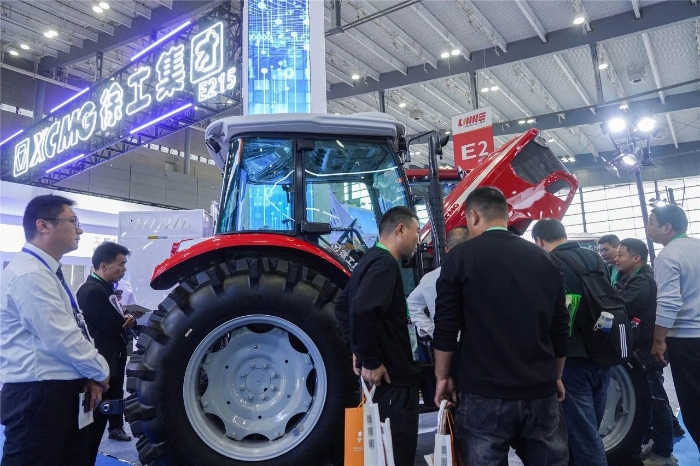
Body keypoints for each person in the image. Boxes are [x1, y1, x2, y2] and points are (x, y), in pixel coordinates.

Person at [434, 188, 569, 466]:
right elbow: (560, 328)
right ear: (506, 216)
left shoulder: (459, 258)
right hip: (540, 390)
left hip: (483, 392)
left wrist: (442, 377)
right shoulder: (548, 260)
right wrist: (556, 376)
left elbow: (446, 326)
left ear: (473, 216)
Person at [0, 194, 110, 466]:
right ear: (43, 225)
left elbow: (72, 330)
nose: (79, 230)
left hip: (59, 391)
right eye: (73, 222)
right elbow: (62, 338)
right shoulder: (30, 275)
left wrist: (89, 375)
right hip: (38, 396)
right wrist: (101, 371)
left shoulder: (46, 272)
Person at [334, 206, 422, 466]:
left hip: (383, 383)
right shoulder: (385, 265)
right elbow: (362, 309)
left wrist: (358, 349)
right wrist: (370, 359)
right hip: (393, 380)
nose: (419, 240)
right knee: (396, 454)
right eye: (417, 231)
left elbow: (343, 307)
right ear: (401, 229)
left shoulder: (369, 260)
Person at [532, 218, 611, 466]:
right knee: (589, 429)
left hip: (572, 358)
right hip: (603, 350)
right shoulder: (595, 259)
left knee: (584, 438)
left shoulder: (548, 263)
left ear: (539, 241)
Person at [614, 238, 676, 465]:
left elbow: (622, 307)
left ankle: (664, 452)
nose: (616, 259)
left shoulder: (642, 281)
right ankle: (658, 444)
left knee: (656, 398)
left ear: (636, 258)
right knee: (650, 397)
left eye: (621, 254)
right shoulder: (635, 279)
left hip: (648, 348)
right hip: (643, 347)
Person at [647, 205, 700, 452]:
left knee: (694, 405)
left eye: (651, 223)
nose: (648, 228)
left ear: (667, 227)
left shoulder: (668, 256)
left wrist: (658, 340)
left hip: (687, 340)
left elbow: (669, 302)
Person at [77, 241, 136, 463]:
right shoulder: (92, 291)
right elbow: (112, 324)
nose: (124, 269)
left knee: (100, 419)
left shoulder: (104, 290)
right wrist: (126, 321)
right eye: (121, 264)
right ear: (104, 265)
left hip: (109, 364)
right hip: (98, 368)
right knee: (90, 428)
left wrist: (126, 318)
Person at [407, 226, 471, 339]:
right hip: (478, 342)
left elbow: (410, 304)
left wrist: (431, 330)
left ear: (446, 249)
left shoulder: (430, 278)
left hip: (446, 340)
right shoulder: (481, 275)